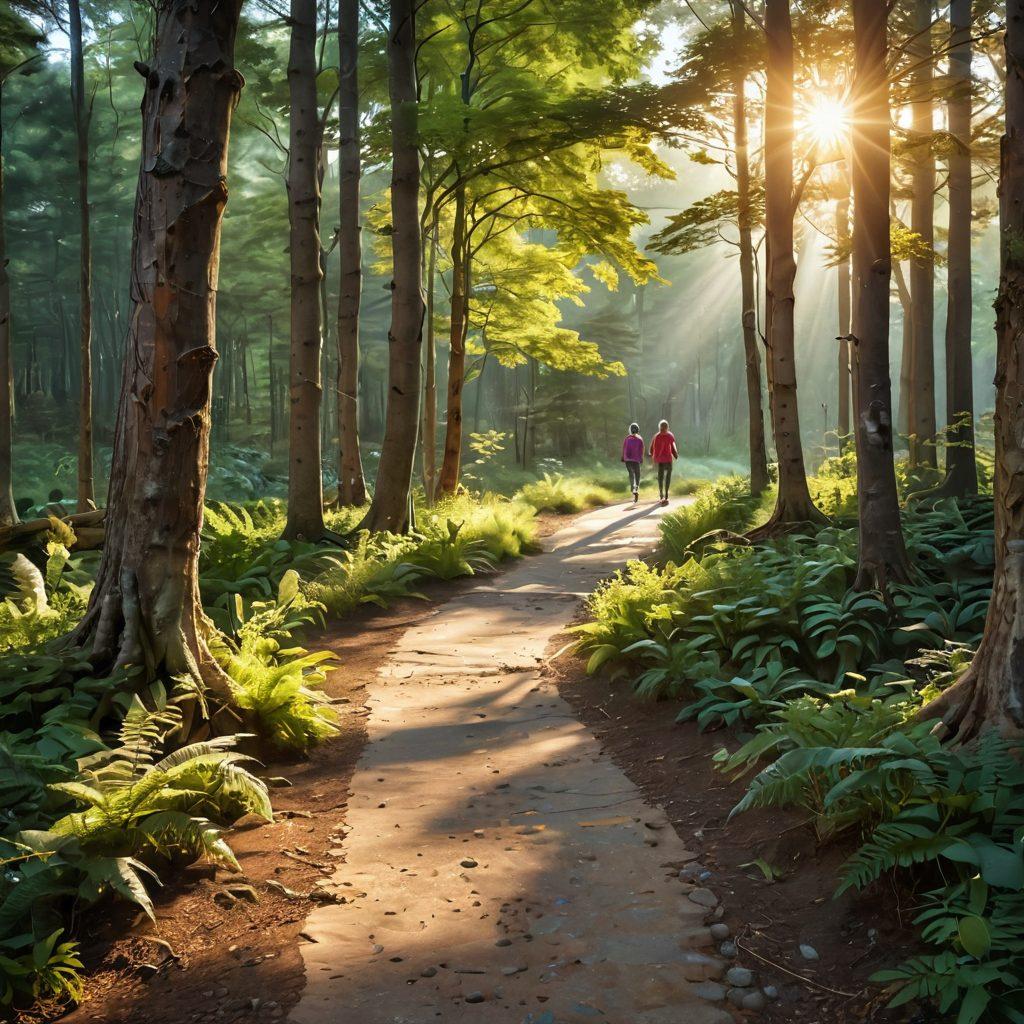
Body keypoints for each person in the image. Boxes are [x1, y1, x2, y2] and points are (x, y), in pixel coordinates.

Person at [649, 419, 678, 505]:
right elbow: (673, 446)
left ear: (660, 428)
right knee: (667, 477)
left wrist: (652, 455)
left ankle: (661, 493)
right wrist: (675, 454)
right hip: (668, 460)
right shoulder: (670, 435)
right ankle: (666, 494)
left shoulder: (657, 436)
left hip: (660, 460)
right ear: (667, 427)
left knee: (661, 477)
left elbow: (651, 448)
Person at [621, 423, 644, 503]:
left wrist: (623, 457)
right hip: (636, 460)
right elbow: (641, 450)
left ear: (630, 430)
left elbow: (624, 448)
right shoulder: (640, 439)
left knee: (631, 473)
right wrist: (641, 458)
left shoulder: (627, 438)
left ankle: (633, 489)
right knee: (637, 475)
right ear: (638, 430)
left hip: (628, 460)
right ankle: (636, 488)